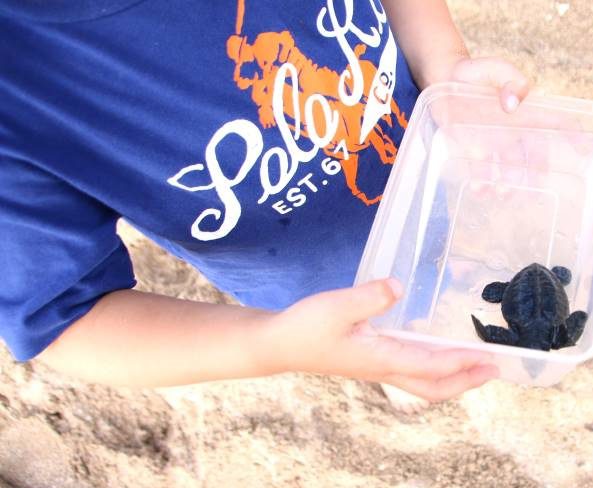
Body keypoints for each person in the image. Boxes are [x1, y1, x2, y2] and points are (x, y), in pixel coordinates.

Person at [0, 0, 529, 411]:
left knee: (488, 258)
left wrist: (443, 60)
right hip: (331, 291)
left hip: (443, 165)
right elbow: (61, 318)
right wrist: (273, 345)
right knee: (393, 346)